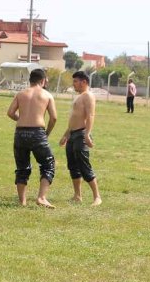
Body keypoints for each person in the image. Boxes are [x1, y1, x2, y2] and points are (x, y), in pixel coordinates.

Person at [6, 68, 58, 208]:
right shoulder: (47, 95)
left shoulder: (21, 94)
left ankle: (22, 201)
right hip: (37, 133)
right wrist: (46, 133)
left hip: (20, 133)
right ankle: (41, 197)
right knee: (48, 164)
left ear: (30, 80)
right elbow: (54, 118)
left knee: (22, 167)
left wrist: (21, 119)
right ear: (43, 80)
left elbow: (10, 112)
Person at [60, 70, 101, 205]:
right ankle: (77, 196)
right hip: (72, 135)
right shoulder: (79, 96)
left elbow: (91, 115)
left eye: (75, 81)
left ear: (84, 82)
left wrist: (87, 134)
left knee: (84, 166)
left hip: (81, 134)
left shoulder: (88, 96)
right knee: (73, 166)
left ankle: (97, 197)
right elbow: (74, 118)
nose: (73, 84)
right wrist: (66, 134)